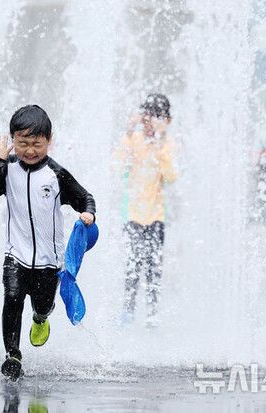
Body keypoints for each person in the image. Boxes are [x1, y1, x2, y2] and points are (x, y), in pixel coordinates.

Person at [0, 105, 96, 380]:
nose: (30, 151)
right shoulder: (7, 168)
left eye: (37, 144)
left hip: (49, 261)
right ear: (12, 140)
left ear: (49, 141)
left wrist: (88, 214)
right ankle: (13, 355)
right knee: (12, 298)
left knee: (42, 305)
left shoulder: (56, 174)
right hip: (16, 254)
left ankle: (41, 318)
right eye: (22, 143)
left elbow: (85, 197)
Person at [114, 93, 176, 327]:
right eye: (147, 116)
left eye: (157, 117)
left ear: (167, 121)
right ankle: (128, 312)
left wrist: (159, 145)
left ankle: (152, 313)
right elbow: (118, 165)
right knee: (133, 264)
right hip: (132, 214)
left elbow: (171, 176)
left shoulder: (168, 145)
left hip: (156, 216)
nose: (150, 122)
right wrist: (129, 133)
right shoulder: (135, 140)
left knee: (153, 266)